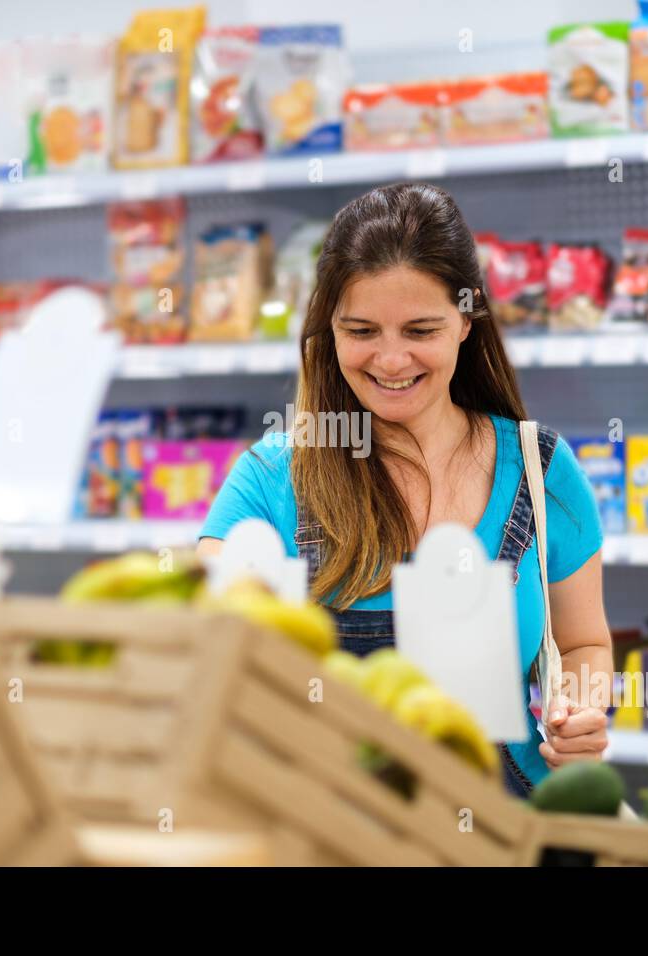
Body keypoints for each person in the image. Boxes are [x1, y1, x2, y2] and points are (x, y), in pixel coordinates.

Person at [198, 182, 612, 796]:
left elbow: (583, 643)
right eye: (362, 331)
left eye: (420, 330)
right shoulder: (270, 478)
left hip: (504, 831)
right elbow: (205, 647)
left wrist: (579, 713)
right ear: (328, 330)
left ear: (466, 322)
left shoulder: (540, 469)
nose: (391, 361)